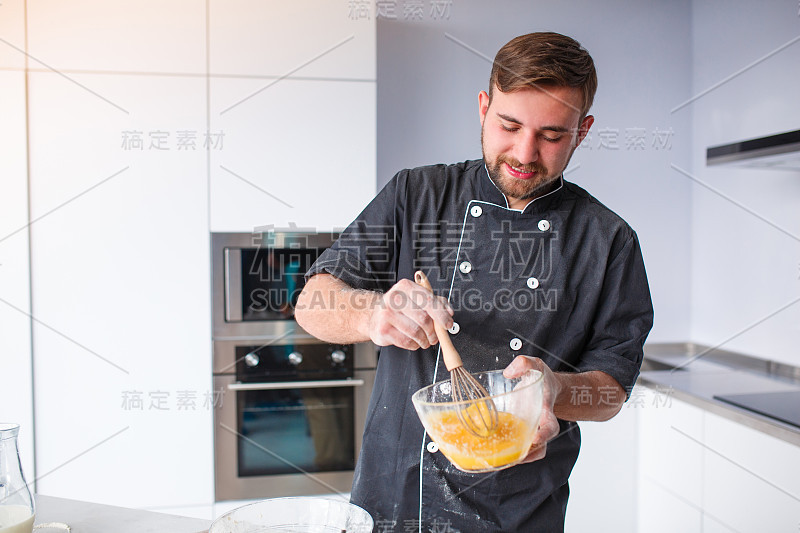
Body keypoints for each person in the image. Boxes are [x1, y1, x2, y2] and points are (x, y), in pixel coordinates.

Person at [295, 32, 653, 532]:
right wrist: (373, 314)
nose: (525, 153)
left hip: (520, 511)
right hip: (394, 499)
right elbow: (313, 303)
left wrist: (554, 389)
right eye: (509, 125)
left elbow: (612, 389)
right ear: (484, 108)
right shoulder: (415, 194)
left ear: (583, 131)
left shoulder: (607, 240)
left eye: (552, 135)